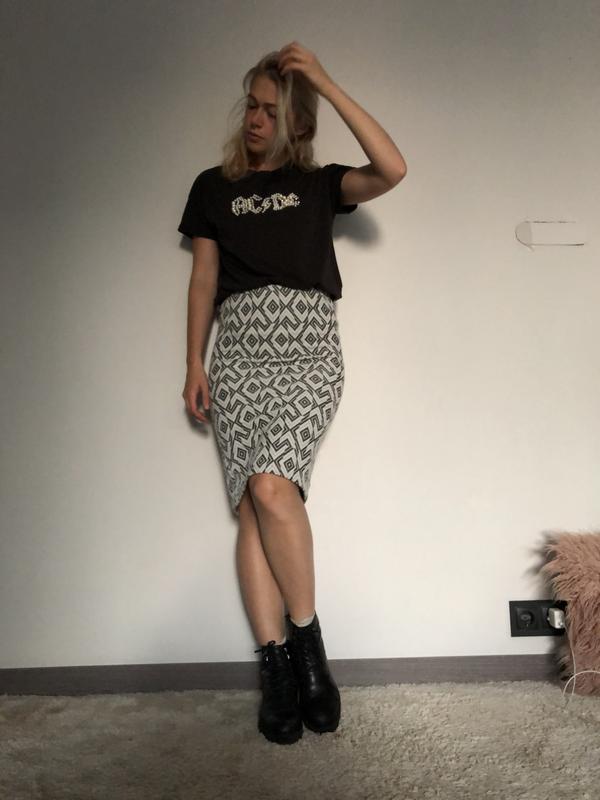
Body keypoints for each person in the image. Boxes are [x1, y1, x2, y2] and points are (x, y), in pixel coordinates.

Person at [178, 41, 407, 745]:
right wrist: (193, 362)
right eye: (251, 105)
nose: (254, 119)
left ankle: (309, 648)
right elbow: (204, 280)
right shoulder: (212, 188)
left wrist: (325, 83)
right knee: (254, 506)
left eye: (271, 111)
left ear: (296, 124)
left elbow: (393, 168)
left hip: (307, 349)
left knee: (273, 488)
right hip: (238, 353)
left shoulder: (318, 184)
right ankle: (277, 671)